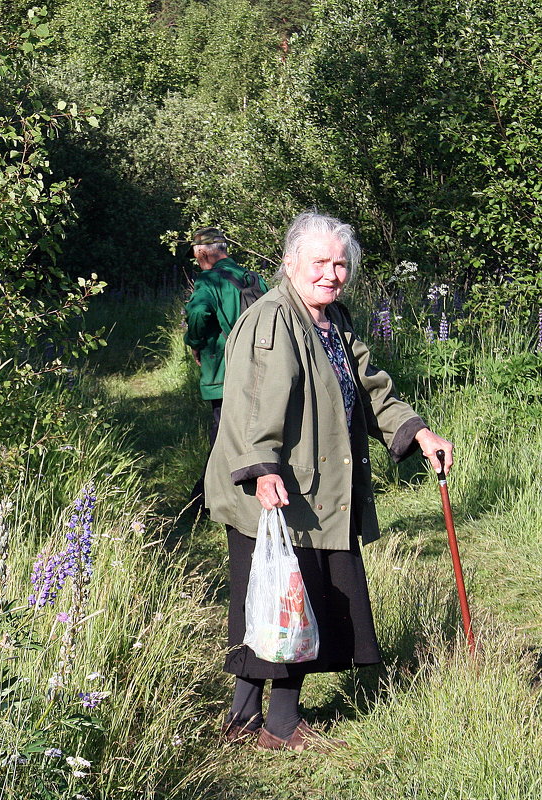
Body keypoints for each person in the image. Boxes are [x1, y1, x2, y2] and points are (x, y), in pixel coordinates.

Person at [205, 211, 454, 751]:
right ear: (290, 262)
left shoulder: (333, 319)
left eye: (340, 264)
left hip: (315, 488)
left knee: (279, 598)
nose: (331, 273)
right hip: (279, 486)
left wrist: (418, 433)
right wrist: (263, 468)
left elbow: (370, 390)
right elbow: (254, 402)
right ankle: (278, 724)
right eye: (319, 262)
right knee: (288, 599)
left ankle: (248, 722)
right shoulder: (273, 319)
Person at [183, 227, 269, 514]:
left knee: (221, 438)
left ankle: (206, 500)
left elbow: (196, 314)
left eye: (196, 256)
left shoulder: (207, 281)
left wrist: (194, 342)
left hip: (224, 373)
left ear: (203, 253)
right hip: (263, 369)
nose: (196, 262)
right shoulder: (254, 278)